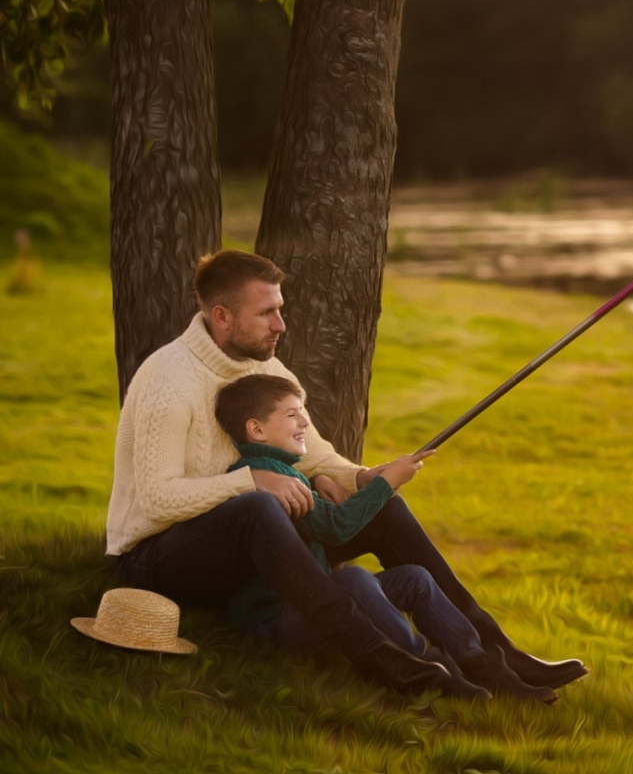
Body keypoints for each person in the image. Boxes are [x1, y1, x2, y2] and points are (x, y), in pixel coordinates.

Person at [108, 249, 587, 697]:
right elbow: (157, 500)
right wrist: (252, 480)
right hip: (161, 559)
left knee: (384, 506)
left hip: (252, 537)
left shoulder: (268, 368)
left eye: (280, 308)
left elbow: (314, 456)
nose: (282, 324)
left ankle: (494, 651)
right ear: (222, 318)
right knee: (255, 507)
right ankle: (382, 658)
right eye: (266, 313)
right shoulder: (169, 380)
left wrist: (366, 479)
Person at [212, 374, 557, 703]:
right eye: (292, 414)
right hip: (278, 623)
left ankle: (480, 664)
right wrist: (386, 481)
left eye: (303, 411)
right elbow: (336, 526)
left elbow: (320, 517)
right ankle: (429, 668)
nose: (304, 422)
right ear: (256, 429)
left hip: (314, 608)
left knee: (415, 578)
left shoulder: (287, 474)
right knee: (352, 577)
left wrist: (319, 477)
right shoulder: (262, 480)